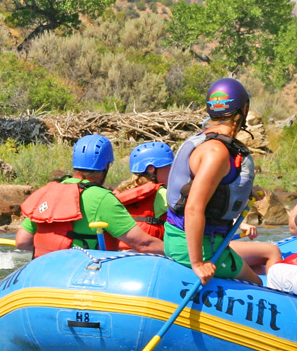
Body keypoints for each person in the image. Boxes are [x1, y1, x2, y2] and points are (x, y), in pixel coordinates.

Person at [164, 78, 278, 285]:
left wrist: (244, 190)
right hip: (199, 247)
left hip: (183, 240)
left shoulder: (204, 139)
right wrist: (198, 262)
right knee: (257, 284)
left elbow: (212, 185)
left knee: (255, 268)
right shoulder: (216, 152)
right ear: (244, 109)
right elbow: (193, 208)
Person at [15, 134, 165, 258]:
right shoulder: (102, 198)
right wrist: (179, 254)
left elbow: (22, 242)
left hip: (43, 273)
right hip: (81, 273)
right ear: (106, 166)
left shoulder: (48, 191)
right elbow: (144, 244)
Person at [103, 141, 173, 251]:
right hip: (150, 252)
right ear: (151, 169)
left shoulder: (121, 191)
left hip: (120, 252)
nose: (171, 172)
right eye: (168, 167)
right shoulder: (160, 193)